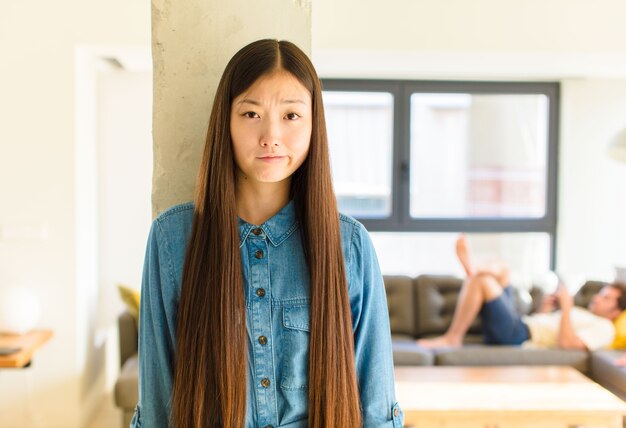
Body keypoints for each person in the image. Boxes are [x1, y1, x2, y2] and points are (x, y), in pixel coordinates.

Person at [131, 39, 402, 428]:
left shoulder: (349, 245)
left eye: (291, 115)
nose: (270, 135)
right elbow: (158, 406)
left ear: (313, 125)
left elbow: (376, 409)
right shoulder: (172, 239)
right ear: (225, 120)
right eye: (251, 113)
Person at [417, 235, 626, 351]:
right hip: (522, 325)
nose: (597, 297)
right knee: (504, 269)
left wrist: (567, 307)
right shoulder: (587, 315)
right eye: (601, 293)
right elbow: (546, 329)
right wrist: (546, 309)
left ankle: (453, 338)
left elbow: (568, 344)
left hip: (517, 336)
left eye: (606, 298)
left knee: (484, 283)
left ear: (617, 311)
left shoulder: (605, 328)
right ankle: (473, 268)